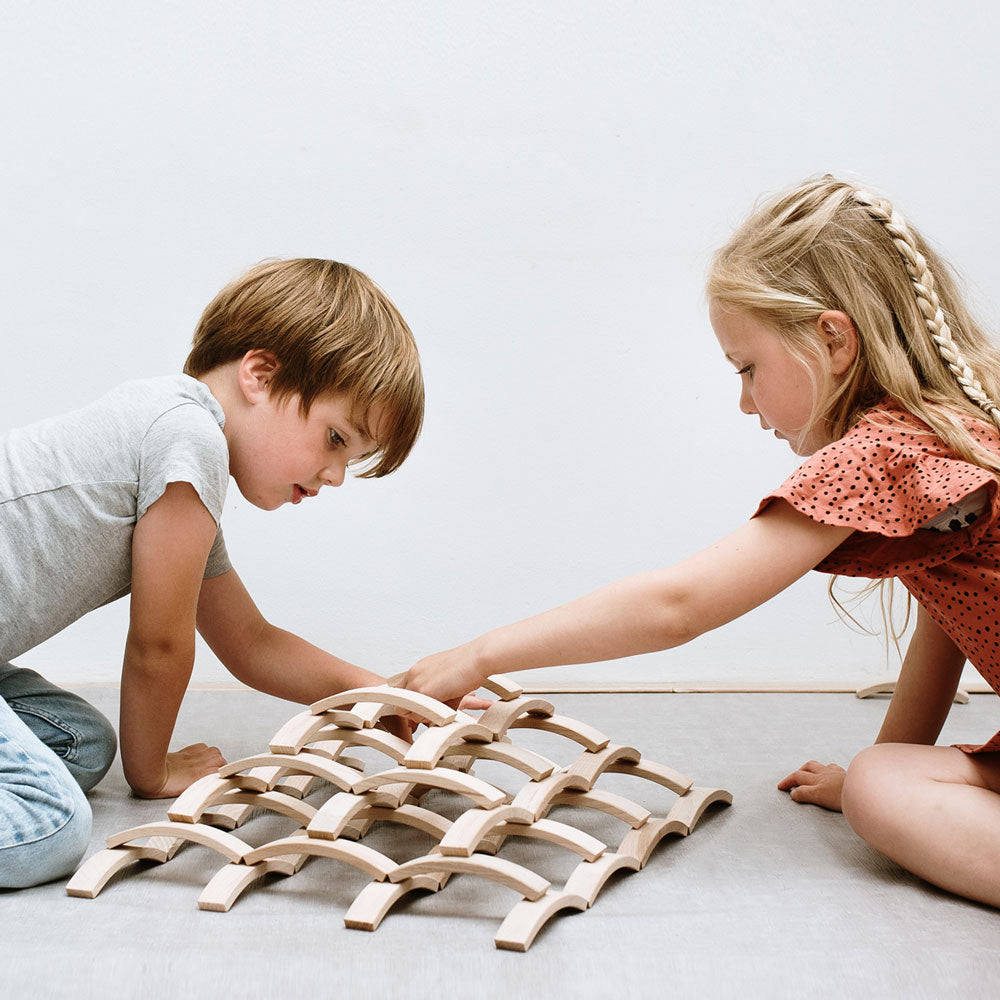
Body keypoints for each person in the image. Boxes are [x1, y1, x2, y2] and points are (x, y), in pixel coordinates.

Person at [402, 177, 1000, 908]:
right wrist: (874, 771)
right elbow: (947, 623)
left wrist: (480, 654)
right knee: (880, 780)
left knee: (881, 787)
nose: (744, 401)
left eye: (747, 368)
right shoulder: (953, 426)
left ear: (834, 339)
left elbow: (679, 605)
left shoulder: (884, 452)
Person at [0, 258, 424, 889]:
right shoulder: (184, 437)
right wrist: (152, 774)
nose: (336, 475)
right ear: (259, 374)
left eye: (352, 459)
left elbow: (251, 641)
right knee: (49, 827)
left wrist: (387, 693)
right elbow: (160, 645)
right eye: (335, 438)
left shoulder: (175, 454)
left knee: (81, 743)